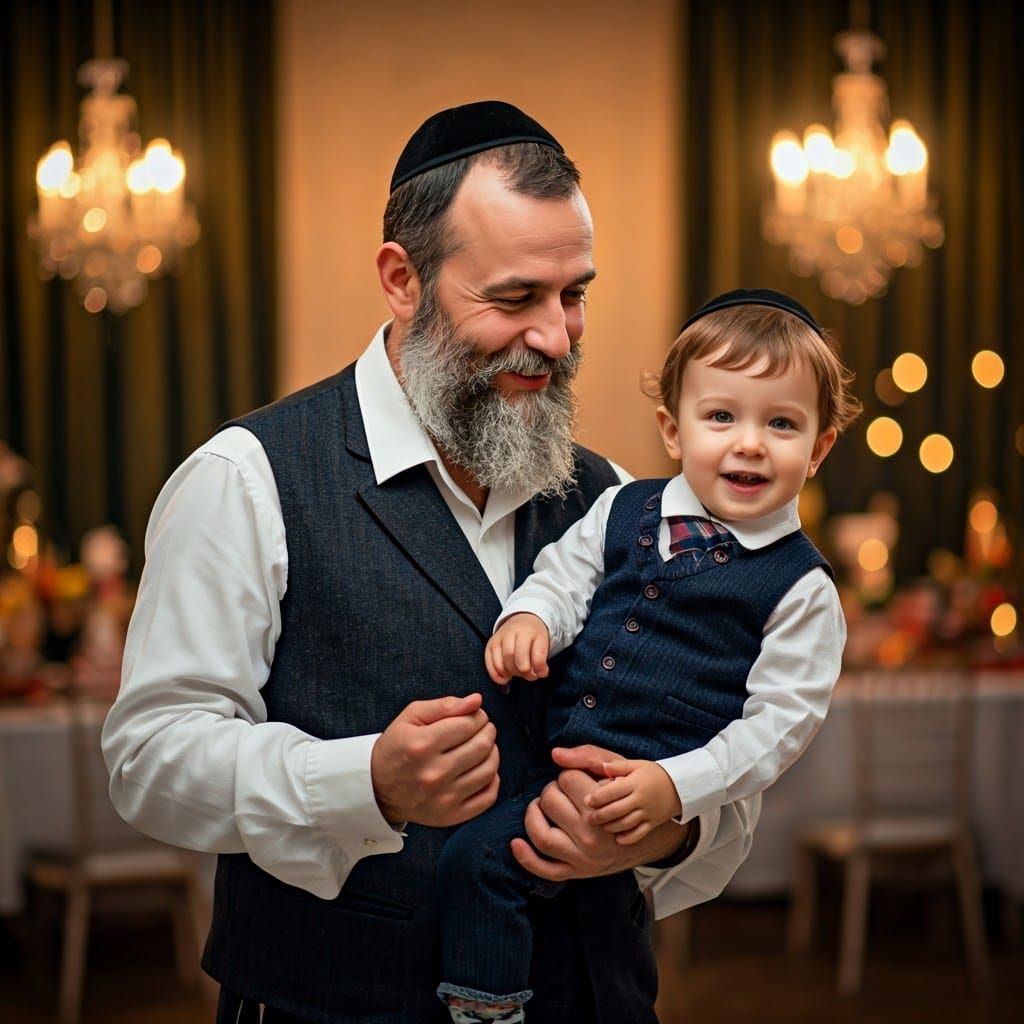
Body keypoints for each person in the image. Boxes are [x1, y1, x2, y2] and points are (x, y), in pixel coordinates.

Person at [102, 101, 761, 1024]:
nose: (558, 337)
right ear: (402, 279)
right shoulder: (245, 479)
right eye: (515, 297)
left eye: (575, 294)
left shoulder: (614, 497)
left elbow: (711, 737)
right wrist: (365, 781)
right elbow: (149, 759)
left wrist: (676, 817)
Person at [435, 288, 862, 1022]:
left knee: (608, 927)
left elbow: (777, 729)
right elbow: (564, 577)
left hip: (648, 790)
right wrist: (531, 619)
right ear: (673, 428)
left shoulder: (803, 589)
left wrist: (676, 787)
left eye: (782, 423)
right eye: (721, 416)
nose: (750, 442)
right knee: (480, 862)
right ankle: (489, 1007)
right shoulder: (622, 507)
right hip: (553, 767)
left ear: (819, 447)